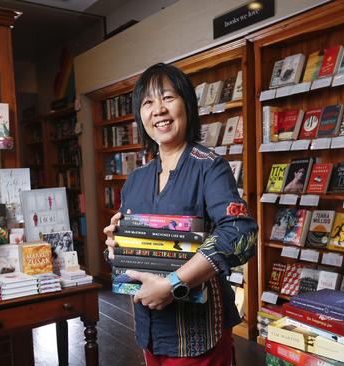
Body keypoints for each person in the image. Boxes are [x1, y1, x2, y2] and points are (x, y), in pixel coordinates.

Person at [103, 63, 258, 365]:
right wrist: (115, 245)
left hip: (198, 333)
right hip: (148, 328)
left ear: (187, 104)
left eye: (168, 98)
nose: (158, 109)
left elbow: (240, 233)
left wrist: (173, 284)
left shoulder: (209, 167)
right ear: (140, 116)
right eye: (148, 102)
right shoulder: (135, 179)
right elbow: (131, 249)